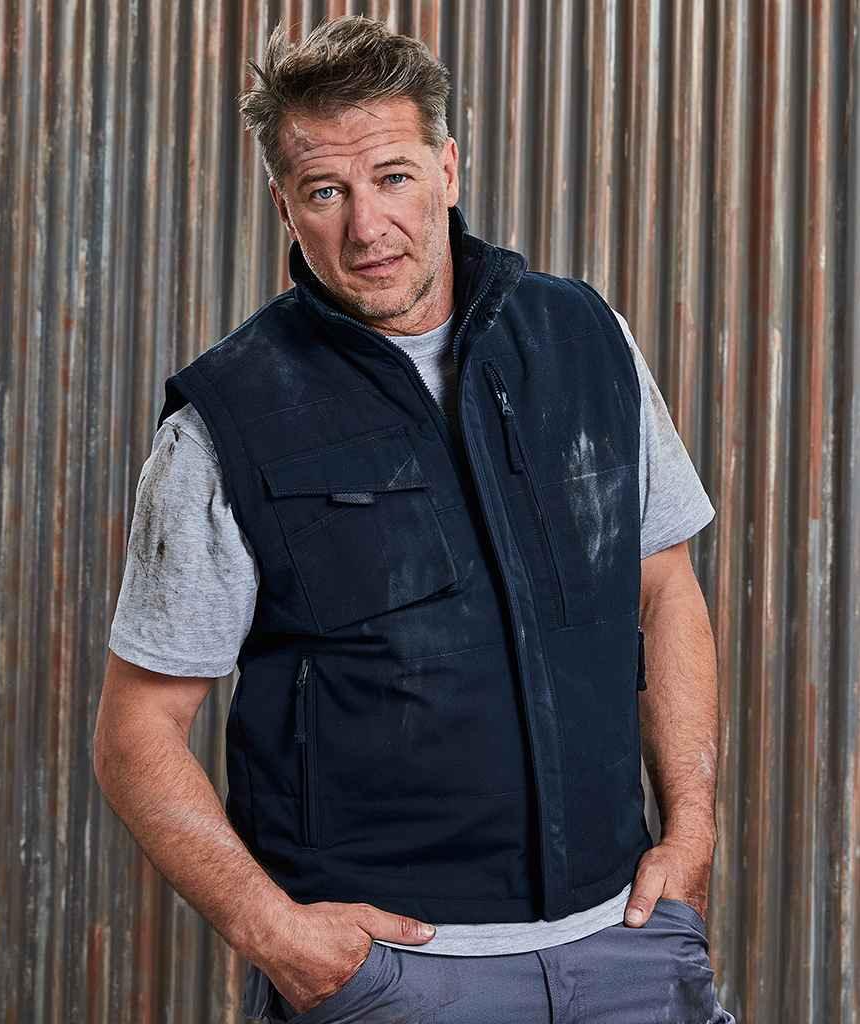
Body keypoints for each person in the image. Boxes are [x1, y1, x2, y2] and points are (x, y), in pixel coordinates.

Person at [93, 15, 737, 1023]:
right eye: (325, 191)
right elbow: (136, 730)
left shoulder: (585, 339)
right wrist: (276, 934)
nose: (367, 227)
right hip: (395, 976)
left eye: (392, 176)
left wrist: (691, 832)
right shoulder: (228, 419)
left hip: (627, 947)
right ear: (284, 204)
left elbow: (666, 591)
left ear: (446, 168)